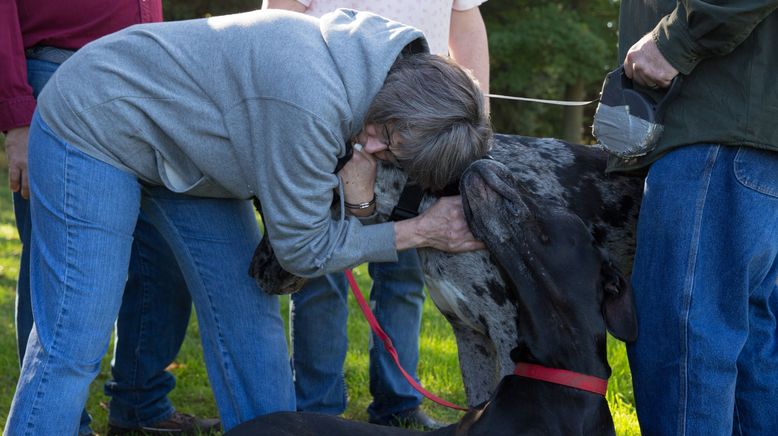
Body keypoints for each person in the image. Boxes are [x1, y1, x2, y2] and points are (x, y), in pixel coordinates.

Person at [2, 8, 491, 434]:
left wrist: (364, 206)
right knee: (76, 332)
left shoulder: (387, 69)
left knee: (248, 313)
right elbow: (301, 250)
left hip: (188, 148)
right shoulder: (308, 100)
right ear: (401, 99)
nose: (375, 150)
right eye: (386, 135)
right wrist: (421, 231)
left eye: (393, 154)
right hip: (93, 120)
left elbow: (327, 230)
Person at [263, 0, 489, 429]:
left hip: (421, 131)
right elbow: (279, 20)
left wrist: (474, 115)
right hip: (329, 118)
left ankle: (398, 404)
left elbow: (466, 23)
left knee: (404, 271)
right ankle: (317, 406)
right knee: (320, 275)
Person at [0, 1, 219, 435]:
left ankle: (141, 405)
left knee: (163, 257)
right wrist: (17, 115)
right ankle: (62, 423)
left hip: (145, 77)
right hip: (57, 68)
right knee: (59, 274)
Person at [609, 1, 778, 433]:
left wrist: (674, 40)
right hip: (740, 132)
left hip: (716, 130)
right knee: (751, 353)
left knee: (684, 346)